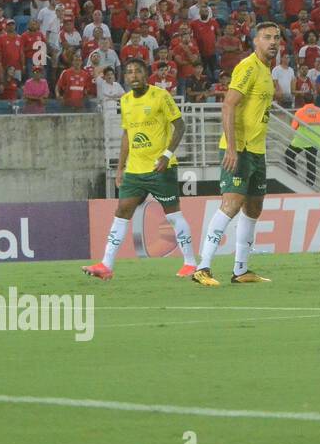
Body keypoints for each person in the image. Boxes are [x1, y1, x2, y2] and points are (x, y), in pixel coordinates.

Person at [83, 58, 198, 280]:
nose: (133, 75)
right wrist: (120, 168)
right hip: (135, 170)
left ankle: (190, 263)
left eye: (137, 71)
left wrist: (167, 155)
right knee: (121, 212)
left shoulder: (160, 96)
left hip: (160, 168)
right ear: (125, 77)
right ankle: (106, 265)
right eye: (129, 72)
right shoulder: (125, 101)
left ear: (146, 75)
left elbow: (180, 125)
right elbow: (127, 135)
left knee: (173, 215)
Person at [191, 21, 281, 285]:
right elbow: (228, 105)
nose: (273, 42)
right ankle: (203, 267)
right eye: (267, 37)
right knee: (231, 205)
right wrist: (231, 147)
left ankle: (241, 270)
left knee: (254, 207)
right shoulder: (248, 66)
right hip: (238, 149)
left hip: (256, 150)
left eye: (276, 37)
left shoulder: (266, 70)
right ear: (255, 41)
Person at [285, 98, 320, 187]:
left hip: (301, 139)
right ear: (313, 101)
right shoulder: (319, 111)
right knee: (311, 162)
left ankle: (294, 178)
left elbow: (294, 126)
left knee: (289, 155)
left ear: (303, 101)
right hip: (315, 139)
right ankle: (310, 184)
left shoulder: (300, 111)